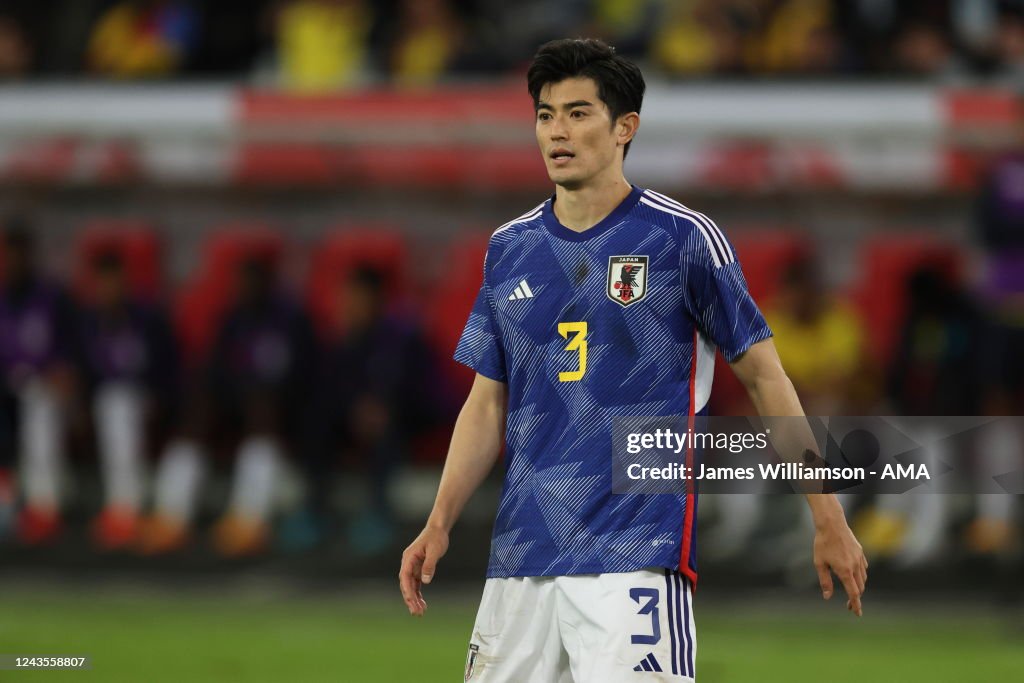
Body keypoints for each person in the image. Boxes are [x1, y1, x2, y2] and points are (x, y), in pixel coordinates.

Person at [399, 38, 867, 682]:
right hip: (521, 559)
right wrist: (440, 520)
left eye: (578, 113)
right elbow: (487, 402)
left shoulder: (681, 238)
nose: (557, 131)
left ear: (625, 128)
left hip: (634, 554)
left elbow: (765, 377)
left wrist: (826, 511)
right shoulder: (509, 249)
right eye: (544, 114)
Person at [77, 248, 179, 550]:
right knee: (109, 401)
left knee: (117, 401)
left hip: (147, 399)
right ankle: (121, 507)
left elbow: (169, 367)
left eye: (115, 281)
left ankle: (125, 509)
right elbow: (81, 373)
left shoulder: (148, 319)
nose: (109, 289)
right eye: (103, 282)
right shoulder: (89, 323)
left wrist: (161, 400)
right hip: (103, 403)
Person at [0, 217, 79, 544]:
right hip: (3, 391)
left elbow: (72, 354)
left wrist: (66, 375)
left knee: (40, 403)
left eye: (19, 254)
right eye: (7, 255)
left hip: (44, 389)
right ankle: (6, 496)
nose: (12, 262)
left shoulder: (53, 297)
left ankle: (44, 509)